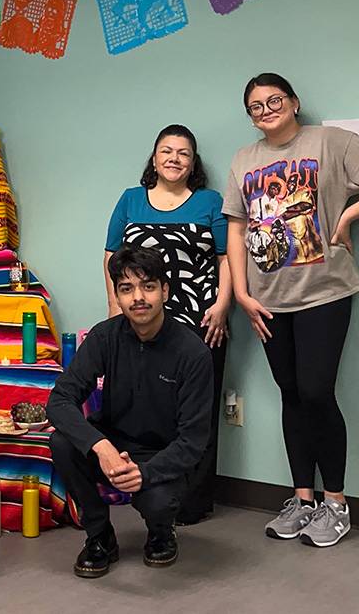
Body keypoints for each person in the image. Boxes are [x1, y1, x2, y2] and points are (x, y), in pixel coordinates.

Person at [223, 72, 359, 548]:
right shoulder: (244, 159)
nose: (265, 110)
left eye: (274, 100)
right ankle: (302, 500)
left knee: (316, 392)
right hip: (266, 301)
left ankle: (336, 504)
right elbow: (236, 229)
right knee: (290, 394)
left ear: (294, 102)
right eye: (255, 106)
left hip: (324, 293)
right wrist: (243, 295)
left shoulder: (330, 142)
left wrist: (349, 215)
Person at [48, 245, 213, 578]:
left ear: (164, 291)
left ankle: (162, 531)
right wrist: (102, 447)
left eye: (148, 286)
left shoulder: (192, 352)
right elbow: (59, 400)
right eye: (127, 289)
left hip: (162, 456)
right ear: (118, 297)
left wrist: (145, 473)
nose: (138, 297)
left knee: (157, 501)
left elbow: (194, 440)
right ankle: (99, 536)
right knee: (62, 443)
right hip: (112, 446)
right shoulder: (104, 338)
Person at [104, 124, 231, 524]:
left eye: (183, 153)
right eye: (167, 151)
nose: (174, 158)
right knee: (149, 408)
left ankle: (191, 502)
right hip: (140, 324)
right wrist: (114, 312)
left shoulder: (210, 201)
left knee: (197, 413)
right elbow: (111, 258)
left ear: (193, 163)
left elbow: (227, 259)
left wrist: (223, 306)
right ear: (154, 159)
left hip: (201, 322)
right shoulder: (130, 200)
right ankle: (149, 491)